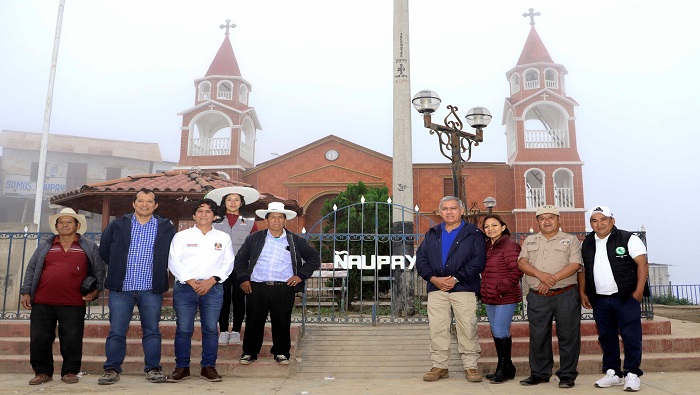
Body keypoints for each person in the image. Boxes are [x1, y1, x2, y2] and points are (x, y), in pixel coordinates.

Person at [97, 188, 176, 385]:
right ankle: (111, 369)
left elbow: (173, 253)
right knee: (116, 330)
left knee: (152, 330)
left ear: (155, 205)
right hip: (121, 289)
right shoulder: (118, 225)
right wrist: (117, 268)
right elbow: (105, 250)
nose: (145, 204)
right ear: (134, 203)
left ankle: (153, 368)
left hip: (150, 288)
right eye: (141, 201)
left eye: (150, 201)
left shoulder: (165, 227)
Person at [20, 208, 106, 385]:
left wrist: (96, 291)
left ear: (77, 225)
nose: (65, 225)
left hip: (74, 302)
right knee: (40, 339)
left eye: (69, 222)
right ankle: (43, 372)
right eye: (61, 222)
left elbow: (99, 271)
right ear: (56, 226)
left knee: (72, 339)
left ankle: (70, 372)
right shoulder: (45, 246)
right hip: (42, 301)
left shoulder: (88, 246)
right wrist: (26, 291)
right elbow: (31, 269)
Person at [234, 202, 320, 365]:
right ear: (266, 220)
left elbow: (314, 259)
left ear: (285, 220)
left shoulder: (295, 240)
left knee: (282, 321)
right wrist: (244, 278)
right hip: (257, 286)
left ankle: (281, 353)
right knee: (253, 321)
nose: (276, 221)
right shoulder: (255, 238)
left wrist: (300, 275)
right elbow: (240, 259)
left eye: (280, 217)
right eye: (273, 217)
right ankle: (249, 353)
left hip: (283, 288)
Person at [416, 196, 486, 383]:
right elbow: (421, 259)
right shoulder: (432, 233)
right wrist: (433, 278)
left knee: (467, 328)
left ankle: (470, 366)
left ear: (461, 210)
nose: (449, 212)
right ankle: (440, 366)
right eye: (445, 209)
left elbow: (478, 261)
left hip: (464, 288)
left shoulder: (474, 233)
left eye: (453, 208)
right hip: (437, 289)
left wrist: (456, 278)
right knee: (437, 328)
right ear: (440, 212)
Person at [579, 205, 649, 392]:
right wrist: (583, 292)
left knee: (631, 336)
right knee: (607, 337)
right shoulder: (586, 243)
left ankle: (632, 373)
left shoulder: (628, 239)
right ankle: (613, 373)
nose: (599, 224)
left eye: (604, 219)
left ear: (612, 220)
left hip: (626, 297)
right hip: (600, 299)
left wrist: (639, 291)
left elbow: (642, 264)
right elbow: (583, 270)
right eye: (594, 220)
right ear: (591, 224)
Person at [167, 199, 235, 382]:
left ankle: (208, 367)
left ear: (215, 216)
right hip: (185, 288)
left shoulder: (223, 238)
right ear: (194, 215)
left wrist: (211, 281)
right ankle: (182, 367)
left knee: (211, 330)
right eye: (200, 211)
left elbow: (228, 264)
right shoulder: (181, 237)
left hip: (213, 288)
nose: (203, 214)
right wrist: (191, 281)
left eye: (208, 211)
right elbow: (174, 261)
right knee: (183, 329)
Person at [517, 205, 583, 388]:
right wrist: (541, 276)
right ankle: (539, 373)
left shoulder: (571, 240)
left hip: (565, 295)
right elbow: (522, 263)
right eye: (542, 218)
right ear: (537, 221)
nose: (546, 221)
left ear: (558, 219)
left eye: (551, 217)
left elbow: (575, 264)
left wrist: (550, 280)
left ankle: (567, 375)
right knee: (538, 335)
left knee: (569, 336)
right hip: (538, 297)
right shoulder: (530, 241)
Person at [205, 186, 260, 346]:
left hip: (241, 268)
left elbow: (254, 246)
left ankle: (235, 331)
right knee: (222, 299)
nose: (233, 202)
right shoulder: (215, 221)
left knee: (239, 299)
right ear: (224, 202)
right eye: (229, 199)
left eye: (236, 199)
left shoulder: (249, 222)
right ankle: (222, 331)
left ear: (242, 202)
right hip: (219, 267)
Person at [480, 214, 523, 384]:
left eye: (494, 225)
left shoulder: (510, 246)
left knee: (500, 330)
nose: (490, 229)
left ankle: (503, 368)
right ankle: (507, 367)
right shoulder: (487, 246)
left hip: (505, 296)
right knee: (496, 330)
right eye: (487, 226)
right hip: (490, 296)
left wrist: (500, 289)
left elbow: (517, 271)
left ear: (503, 227)